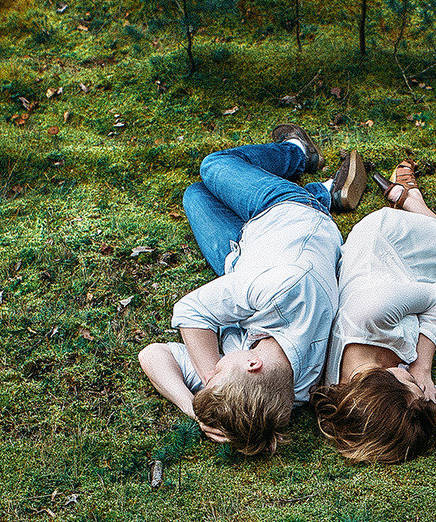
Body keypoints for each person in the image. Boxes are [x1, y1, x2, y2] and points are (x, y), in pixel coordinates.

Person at [137, 127, 368, 458]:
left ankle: (327, 191)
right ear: (252, 363)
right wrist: (209, 373)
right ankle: (300, 157)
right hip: (291, 212)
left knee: (195, 195)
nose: (211, 371)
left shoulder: (278, 388)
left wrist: (192, 407)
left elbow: (152, 355)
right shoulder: (286, 291)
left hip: (242, 259)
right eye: (217, 373)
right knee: (213, 166)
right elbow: (190, 312)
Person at [311, 160, 436, 464]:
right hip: (402, 288)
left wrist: (423, 367)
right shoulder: (360, 393)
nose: (418, 385)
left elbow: (434, 298)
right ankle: (408, 197)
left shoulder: (370, 315)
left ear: (383, 382)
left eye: (410, 384)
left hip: (390, 241)